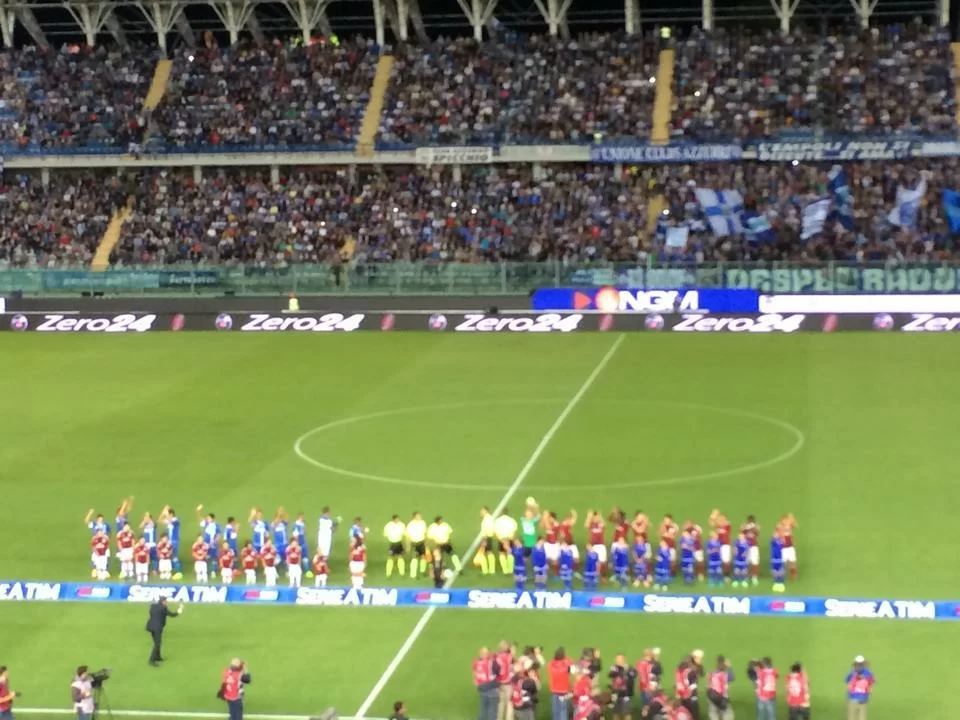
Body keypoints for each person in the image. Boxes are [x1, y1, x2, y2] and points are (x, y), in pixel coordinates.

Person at [146, 596, 182, 666]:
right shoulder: (163, 608)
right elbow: (172, 615)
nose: (166, 602)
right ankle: (151, 660)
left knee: (157, 642)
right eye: (166, 601)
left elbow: (151, 613)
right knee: (157, 644)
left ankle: (158, 657)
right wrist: (178, 612)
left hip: (150, 626)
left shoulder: (153, 606)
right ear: (163, 601)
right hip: (157, 628)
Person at [474, 647, 501, 720]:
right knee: (493, 712)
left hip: (482, 689)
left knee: (483, 710)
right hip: (492, 689)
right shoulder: (491, 663)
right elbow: (498, 670)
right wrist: (494, 658)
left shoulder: (476, 662)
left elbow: (475, 674)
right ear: (487, 654)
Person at [547, 648, 573, 720]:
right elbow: (570, 662)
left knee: (555, 711)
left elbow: (551, 662)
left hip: (554, 691)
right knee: (563, 711)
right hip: (564, 691)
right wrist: (565, 659)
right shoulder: (567, 666)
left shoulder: (551, 664)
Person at [608, 653, 637, 720]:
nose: (617, 661)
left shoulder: (630, 668)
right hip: (615, 694)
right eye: (616, 659)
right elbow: (611, 675)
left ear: (624, 659)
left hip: (626, 695)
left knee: (627, 713)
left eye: (619, 659)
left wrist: (626, 671)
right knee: (615, 712)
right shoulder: (614, 668)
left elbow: (634, 675)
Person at [845, 656, 874, 720]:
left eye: (860, 664)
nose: (858, 666)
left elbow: (871, 682)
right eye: (857, 664)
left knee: (860, 718)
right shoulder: (852, 673)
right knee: (852, 717)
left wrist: (869, 689)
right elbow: (847, 681)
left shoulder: (868, 673)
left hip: (862, 700)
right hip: (853, 699)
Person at [707, 656, 734, 720]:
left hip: (712, 697)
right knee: (727, 714)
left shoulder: (711, 673)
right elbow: (732, 677)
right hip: (722, 697)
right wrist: (729, 667)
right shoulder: (725, 674)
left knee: (713, 715)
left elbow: (708, 685)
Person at [495, 509, 519, 574]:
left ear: (501, 513)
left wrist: (501, 540)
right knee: (510, 553)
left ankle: (505, 570)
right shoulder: (512, 520)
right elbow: (515, 530)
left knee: (502, 553)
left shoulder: (497, 521)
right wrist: (511, 539)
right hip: (510, 538)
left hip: (501, 539)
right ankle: (510, 569)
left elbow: (496, 531)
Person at [496, 642, 515, 720]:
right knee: (510, 703)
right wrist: (512, 649)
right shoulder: (509, 656)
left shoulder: (496, 657)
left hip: (499, 684)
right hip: (508, 683)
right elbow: (513, 656)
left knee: (501, 703)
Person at [406, 511, 427, 579]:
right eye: (418, 516)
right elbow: (408, 536)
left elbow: (425, 533)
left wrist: (426, 543)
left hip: (422, 542)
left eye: (420, 516)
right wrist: (408, 546)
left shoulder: (423, 523)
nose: (420, 517)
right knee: (414, 559)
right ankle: (413, 574)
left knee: (423, 557)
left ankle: (422, 570)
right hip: (414, 543)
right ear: (414, 517)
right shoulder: (410, 525)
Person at [740, 515, 760, 586]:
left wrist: (753, 528)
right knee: (746, 562)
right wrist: (745, 528)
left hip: (754, 546)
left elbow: (757, 533)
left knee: (755, 562)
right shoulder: (744, 525)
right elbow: (741, 533)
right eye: (749, 520)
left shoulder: (756, 526)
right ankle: (746, 577)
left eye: (752, 520)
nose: (750, 521)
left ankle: (754, 577)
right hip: (746, 546)